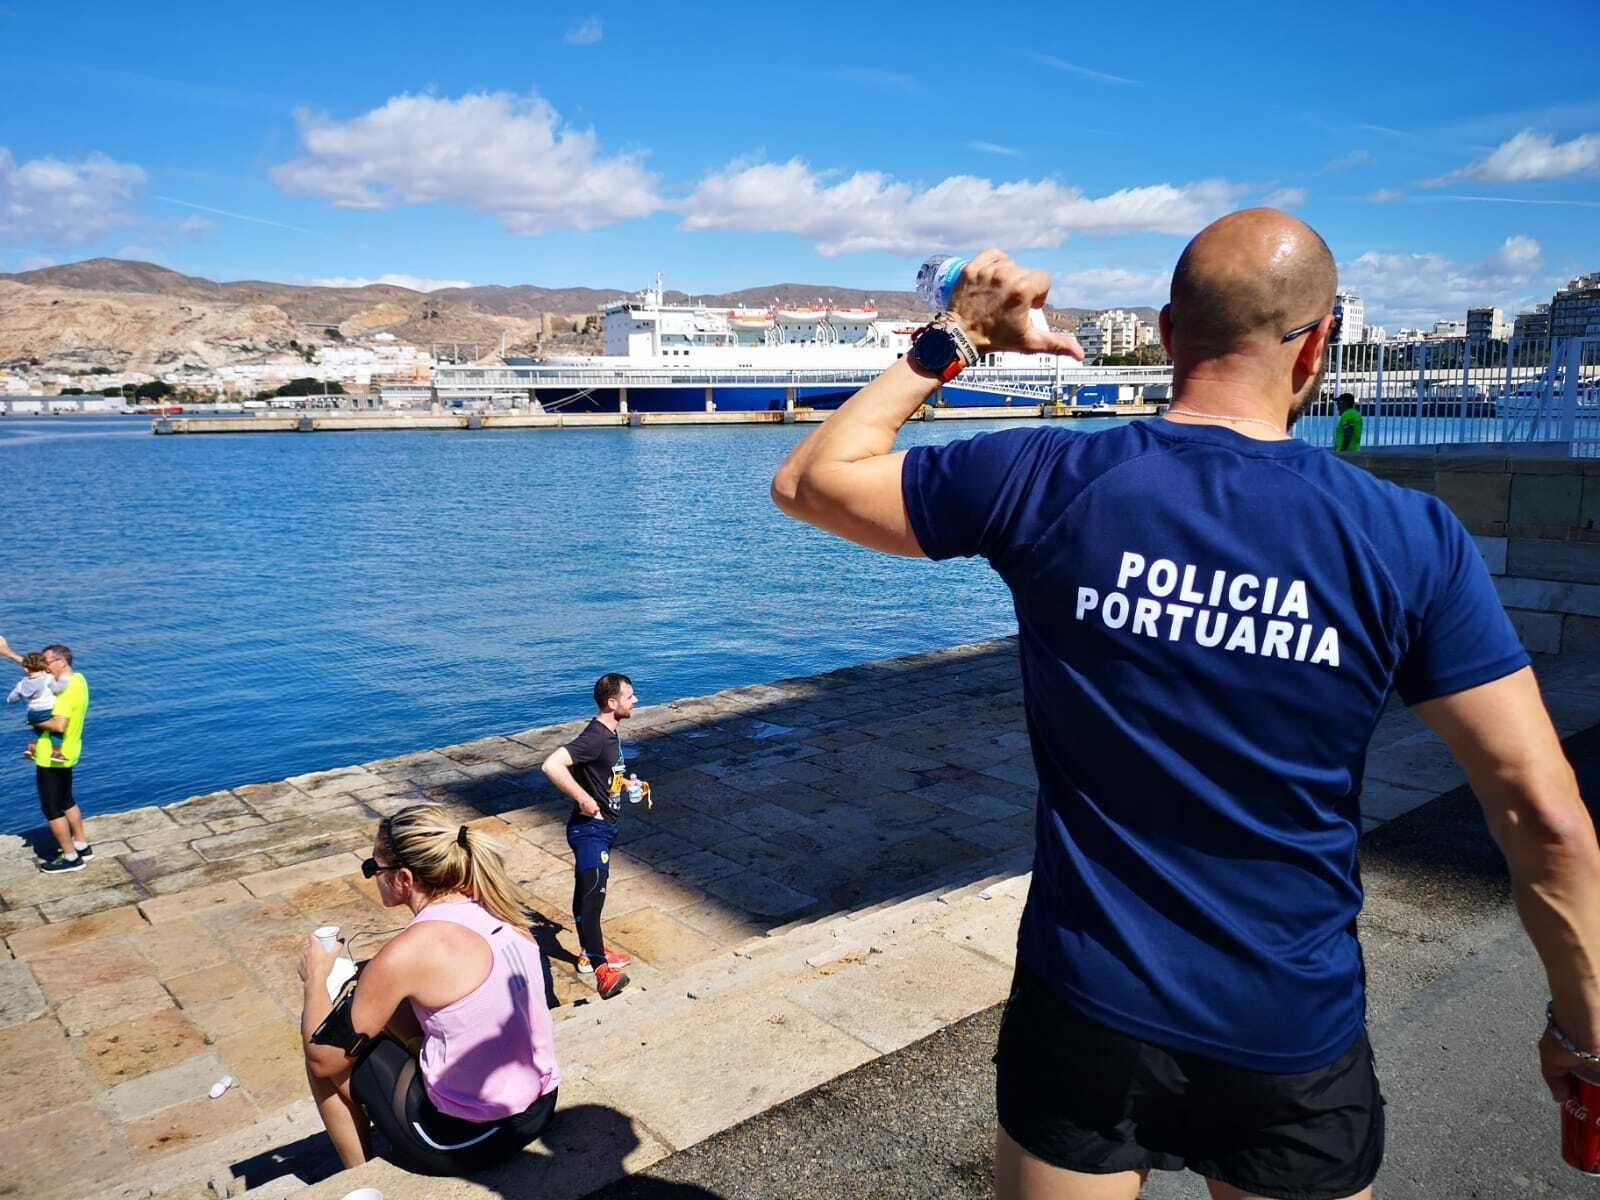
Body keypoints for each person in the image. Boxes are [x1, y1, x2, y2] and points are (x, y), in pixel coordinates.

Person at [770, 210, 1600, 1200]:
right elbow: (1543, 818)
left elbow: (810, 480)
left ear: (1166, 335)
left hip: (1085, 1005)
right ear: (1318, 347)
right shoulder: (1406, 536)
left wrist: (959, 338)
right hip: (1288, 1023)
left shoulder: (1048, 478)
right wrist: (1583, 1033)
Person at [299, 805, 561, 1176]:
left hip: (469, 1138)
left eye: (373, 868)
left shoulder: (411, 950)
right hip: (539, 1105)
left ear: (404, 879)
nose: (373, 877)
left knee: (319, 1049)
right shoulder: (499, 909)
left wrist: (315, 978)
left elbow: (324, 1059)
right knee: (387, 1012)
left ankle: (359, 1178)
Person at [541, 673, 644, 1000]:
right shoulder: (596, 736)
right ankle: (600, 969)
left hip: (603, 828)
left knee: (588, 888)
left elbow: (602, 774)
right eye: (630, 696)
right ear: (612, 703)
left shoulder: (610, 736)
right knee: (593, 893)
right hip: (589, 831)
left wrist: (626, 785)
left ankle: (588, 951)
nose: (635, 700)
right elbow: (552, 765)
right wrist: (584, 800)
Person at [0, 636, 93, 873]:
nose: (43, 665)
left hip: (50, 756)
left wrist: (34, 722)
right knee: (67, 800)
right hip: (68, 752)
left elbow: (58, 725)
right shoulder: (78, 680)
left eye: (46, 661)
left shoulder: (63, 696)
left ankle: (71, 858)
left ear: (60, 662)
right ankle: (82, 845)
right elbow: (36, 672)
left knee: (52, 809)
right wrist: (8, 653)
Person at [8, 651, 67, 763]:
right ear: (44, 666)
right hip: (47, 711)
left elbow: (12, 699)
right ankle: (56, 752)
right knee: (56, 731)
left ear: (26, 669)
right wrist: (64, 679)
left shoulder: (21, 684)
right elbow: (58, 688)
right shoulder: (47, 678)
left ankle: (31, 748)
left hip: (32, 714)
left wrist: (10, 699)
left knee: (40, 729)